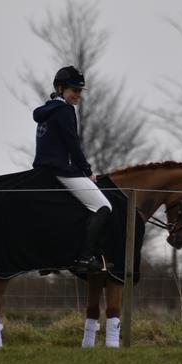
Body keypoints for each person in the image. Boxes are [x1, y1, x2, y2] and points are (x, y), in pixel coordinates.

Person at [33, 65, 112, 279]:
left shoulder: (48, 109)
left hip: (44, 168)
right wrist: (87, 171)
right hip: (61, 171)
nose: (77, 94)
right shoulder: (65, 110)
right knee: (103, 207)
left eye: (79, 91)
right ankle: (85, 258)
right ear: (61, 88)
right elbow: (72, 144)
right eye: (74, 90)